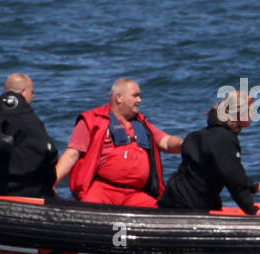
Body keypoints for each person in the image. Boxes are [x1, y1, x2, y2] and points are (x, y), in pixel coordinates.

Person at [54, 78, 183, 207]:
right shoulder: (92, 121)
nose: (139, 100)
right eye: (135, 96)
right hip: (102, 191)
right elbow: (71, 155)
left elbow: (166, 142)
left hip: (135, 194)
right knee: (89, 207)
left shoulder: (143, 125)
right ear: (119, 98)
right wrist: (50, 185)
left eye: (140, 96)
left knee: (160, 211)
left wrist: (186, 144)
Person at [158, 91, 260, 215]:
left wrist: (252, 187)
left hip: (172, 198)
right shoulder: (224, 140)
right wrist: (251, 209)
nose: (253, 115)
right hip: (190, 206)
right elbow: (232, 178)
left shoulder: (204, 134)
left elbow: (230, 171)